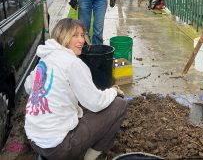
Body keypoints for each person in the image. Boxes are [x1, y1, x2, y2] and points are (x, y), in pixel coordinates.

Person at [24, 18, 127, 160]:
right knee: (119, 105)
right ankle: (90, 157)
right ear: (62, 36)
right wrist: (113, 91)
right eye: (75, 35)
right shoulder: (72, 63)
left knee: (80, 104)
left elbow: (28, 87)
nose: (81, 40)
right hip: (59, 147)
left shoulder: (45, 60)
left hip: (34, 140)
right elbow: (96, 103)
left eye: (82, 35)